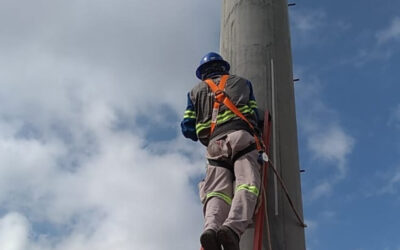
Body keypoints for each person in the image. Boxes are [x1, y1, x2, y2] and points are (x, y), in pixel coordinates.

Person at [181, 52, 262, 250]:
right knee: (247, 185)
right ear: (224, 68)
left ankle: (211, 229)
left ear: (202, 74)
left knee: (217, 192)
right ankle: (232, 228)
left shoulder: (194, 92)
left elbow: (187, 127)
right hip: (242, 138)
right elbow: (255, 113)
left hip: (215, 145)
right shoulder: (243, 83)